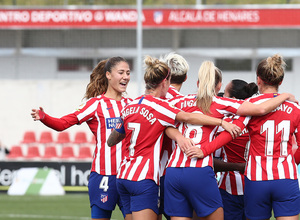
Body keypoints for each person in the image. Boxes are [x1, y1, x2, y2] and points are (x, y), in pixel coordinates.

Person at [106, 55, 240, 220]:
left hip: (124, 175)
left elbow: (111, 140)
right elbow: (188, 117)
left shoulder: (129, 105)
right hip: (145, 177)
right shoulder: (161, 107)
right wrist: (221, 122)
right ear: (164, 82)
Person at [164, 60, 297, 220]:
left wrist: (193, 143)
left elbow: (233, 132)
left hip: (253, 178)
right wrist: (285, 95)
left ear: (258, 80)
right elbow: (261, 111)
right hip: (285, 176)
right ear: (281, 81)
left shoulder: (179, 101)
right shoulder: (295, 108)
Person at [31, 56, 132, 220]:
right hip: (103, 176)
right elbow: (63, 123)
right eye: (121, 72)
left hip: (129, 176)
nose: (126, 76)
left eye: (128, 73)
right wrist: (44, 117)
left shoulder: (132, 105)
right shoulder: (94, 104)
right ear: (108, 75)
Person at [214, 79, 258, 220]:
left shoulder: (225, 124)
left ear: (233, 100)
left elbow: (210, 159)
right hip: (256, 186)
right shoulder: (257, 121)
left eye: (225, 94)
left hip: (229, 190)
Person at [159, 52, 189, 220]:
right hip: (177, 171)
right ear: (185, 78)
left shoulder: (151, 99)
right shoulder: (186, 104)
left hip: (151, 172)